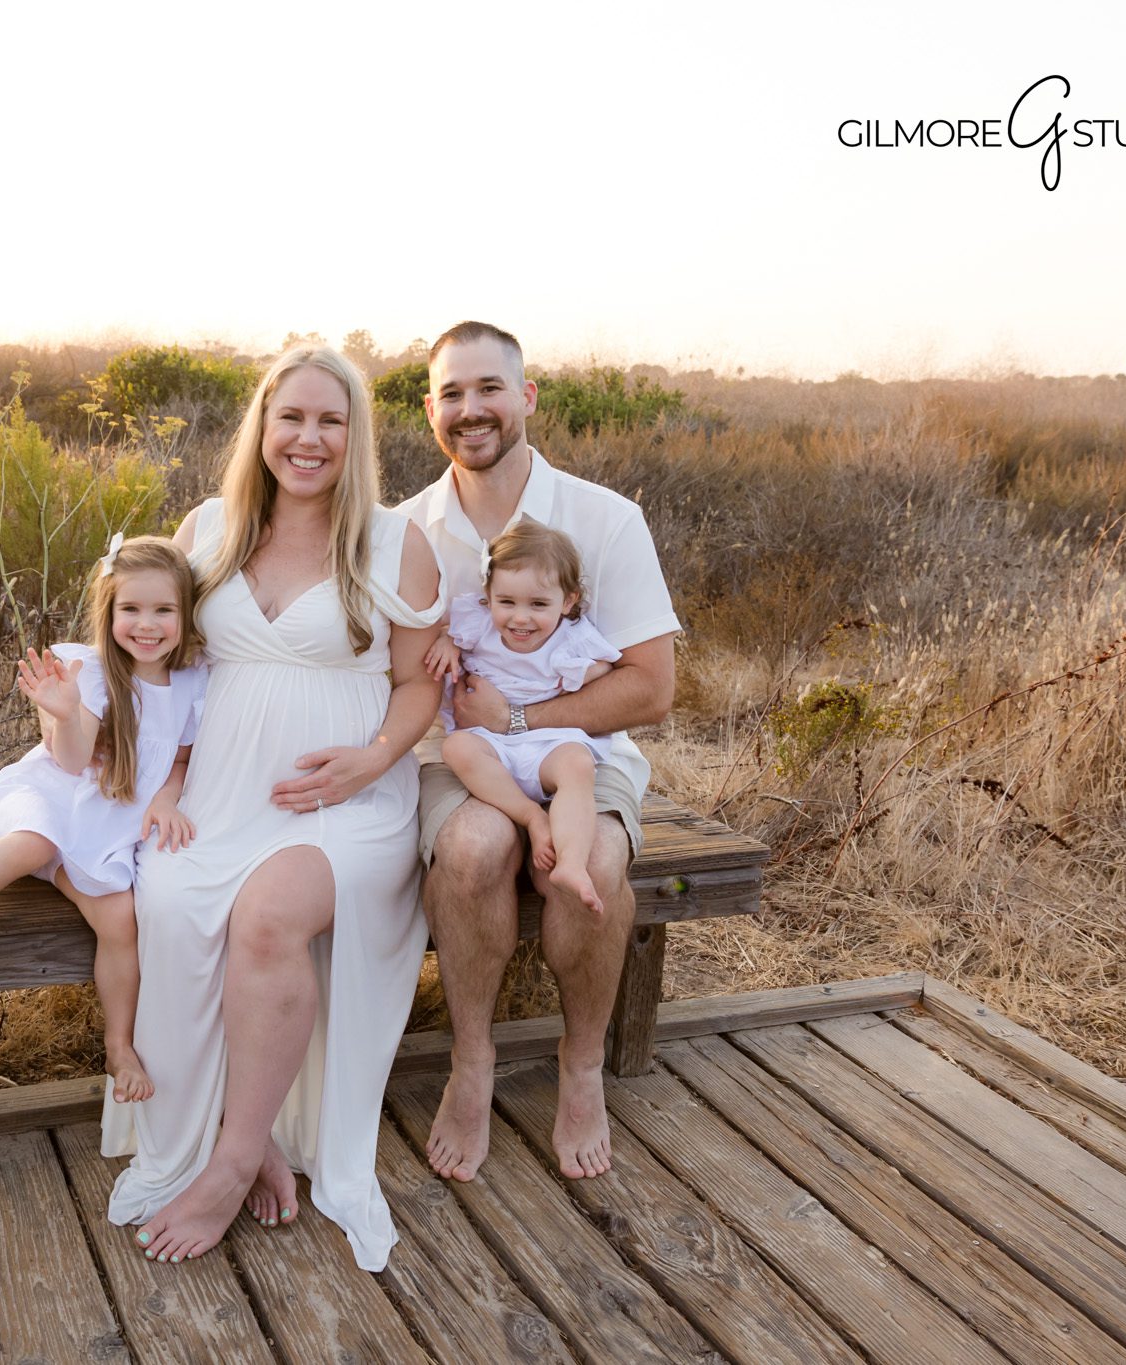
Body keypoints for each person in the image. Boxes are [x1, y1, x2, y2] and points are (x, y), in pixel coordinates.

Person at [103, 345, 444, 1271]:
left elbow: (419, 685)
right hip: (217, 789)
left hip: (348, 799)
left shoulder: (391, 540)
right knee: (169, 899)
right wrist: (168, 781)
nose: (308, 437)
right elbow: (169, 667)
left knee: (265, 918)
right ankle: (223, 1127)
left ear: (355, 436)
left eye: (330, 420)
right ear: (261, 426)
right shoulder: (209, 527)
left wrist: (371, 760)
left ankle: (235, 1158)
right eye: (290, 416)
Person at [399, 321, 680, 1184]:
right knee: (476, 846)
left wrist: (522, 713)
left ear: (526, 398)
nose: (470, 408)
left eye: (490, 388)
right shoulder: (405, 529)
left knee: (590, 858)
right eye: (452, 392)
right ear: (430, 409)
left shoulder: (605, 518)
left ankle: (582, 1062)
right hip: (463, 753)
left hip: (579, 750)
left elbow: (651, 686)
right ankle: (473, 1060)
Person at [0, 535, 206, 1105]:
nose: (146, 625)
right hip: (57, 796)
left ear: (185, 615)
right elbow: (72, 761)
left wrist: (168, 798)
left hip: (111, 825)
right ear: (109, 612)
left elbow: (180, 759)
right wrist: (65, 711)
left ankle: (118, 1044)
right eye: (130, 609)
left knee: (120, 919)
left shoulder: (193, 683)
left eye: (163, 610)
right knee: (33, 843)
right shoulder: (92, 672)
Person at [428, 520, 622, 916]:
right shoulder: (475, 622)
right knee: (458, 747)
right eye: (507, 602)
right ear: (488, 596)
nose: (520, 619)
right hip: (491, 743)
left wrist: (580, 674)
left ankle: (570, 862)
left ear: (567, 602)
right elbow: (450, 633)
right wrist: (446, 643)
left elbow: (604, 669)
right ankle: (532, 816)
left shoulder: (573, 638)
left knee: (577, 766)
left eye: (538, 605)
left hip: (546, 741)